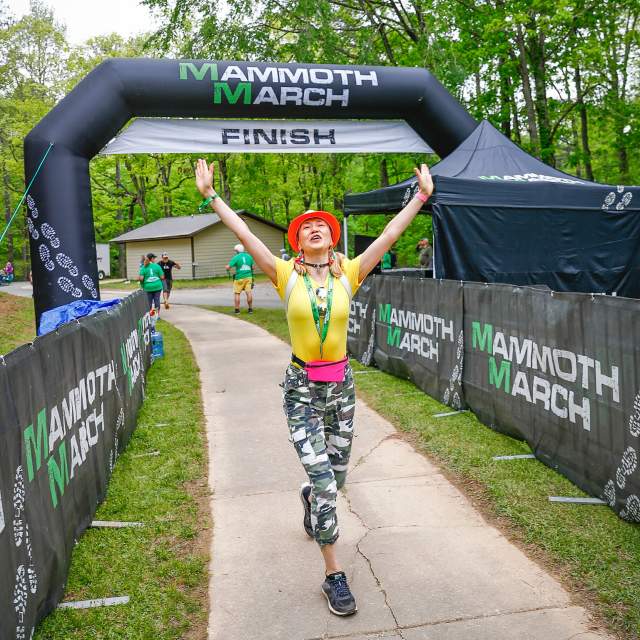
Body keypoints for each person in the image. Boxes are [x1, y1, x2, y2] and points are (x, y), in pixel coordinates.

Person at [195, 158, 433, 617]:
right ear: (298, 243)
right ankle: (333, 575)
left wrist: (420, 197)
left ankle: (311, 496)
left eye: (322, 226)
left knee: (335, 481)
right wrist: (211, 196)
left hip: (342, 391)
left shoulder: (351, 273)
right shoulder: (284, 275)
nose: (316, 229)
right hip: (302, 390)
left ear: (333, 239)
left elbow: (388, 237)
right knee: (327, 484)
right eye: (307, 228)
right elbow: (245, 235)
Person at [226, 243, 255, 314]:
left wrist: (226, 267)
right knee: (249, 293)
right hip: (249, 277)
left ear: (237, 250)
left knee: (237, 293)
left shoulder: (236, 257)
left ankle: (237, 310)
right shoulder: (249, 256)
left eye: (235, 251)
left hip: (239, 278)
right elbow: (253, 267)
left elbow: (228, 267)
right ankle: (250, 309)